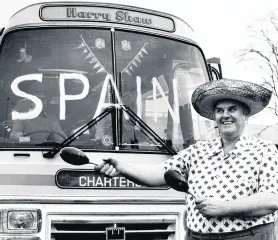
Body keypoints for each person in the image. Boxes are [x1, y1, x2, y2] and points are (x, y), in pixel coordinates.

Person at [95, 78, 278, 239]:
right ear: (214, 116)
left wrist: (224, 208)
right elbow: (159, 173)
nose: (225, 115)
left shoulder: (264, 151)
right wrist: (122, 167)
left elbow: (271, 200)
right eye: (220, 111)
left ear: (245, 114)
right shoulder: (197, 151)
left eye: (232, 109)